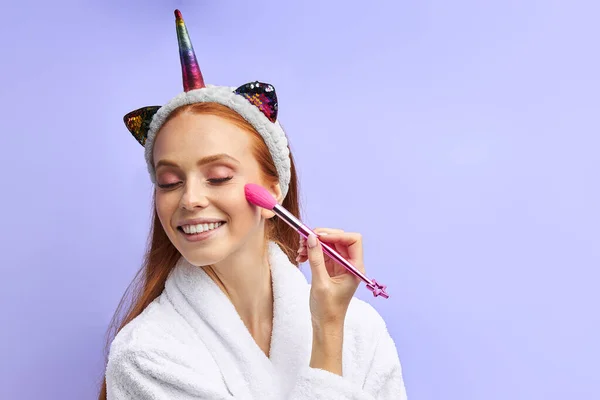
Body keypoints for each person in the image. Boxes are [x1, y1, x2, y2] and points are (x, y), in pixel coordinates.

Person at [99, 9, 408, 400]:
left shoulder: (362, 330)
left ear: (272, 190)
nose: (190, 199)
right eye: (169, 182)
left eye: (219, 176)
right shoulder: (147, 356)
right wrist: (328, 338)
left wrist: (335, 323)